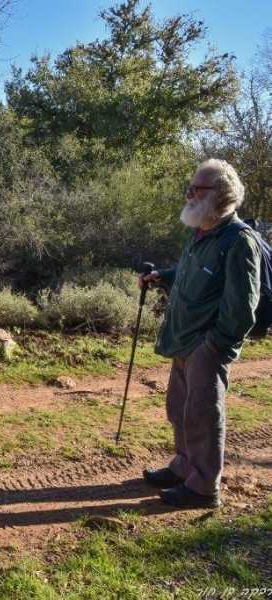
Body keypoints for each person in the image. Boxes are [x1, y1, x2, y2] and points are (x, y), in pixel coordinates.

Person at [141, 158, 261, 509]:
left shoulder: (239, 241)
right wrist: (163, 276)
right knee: (180, 409)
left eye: (197, 188)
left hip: (206, 346)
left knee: (203, 414)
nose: (189, 193)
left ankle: (204, 486)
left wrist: (214, 345)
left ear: (221, 195)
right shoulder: (202, 231)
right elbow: (193, 272)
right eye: (190, 187)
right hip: (184, 339)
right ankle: (184, 468)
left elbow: (243, 308)